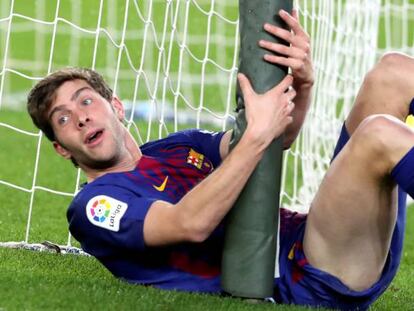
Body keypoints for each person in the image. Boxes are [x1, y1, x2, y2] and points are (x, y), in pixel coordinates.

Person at [26, 8, 414, 310]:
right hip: (309, 276)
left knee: (395, 72)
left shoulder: (178, 147)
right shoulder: (94, 206)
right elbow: (189, 223)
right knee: (378, 134)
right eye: (63, 119)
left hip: (323, 236)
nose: (80, 117)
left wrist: (302, 83)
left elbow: (278, 139)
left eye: (86, 101)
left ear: (116, 106)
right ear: (61, 147)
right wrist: (258, 135)